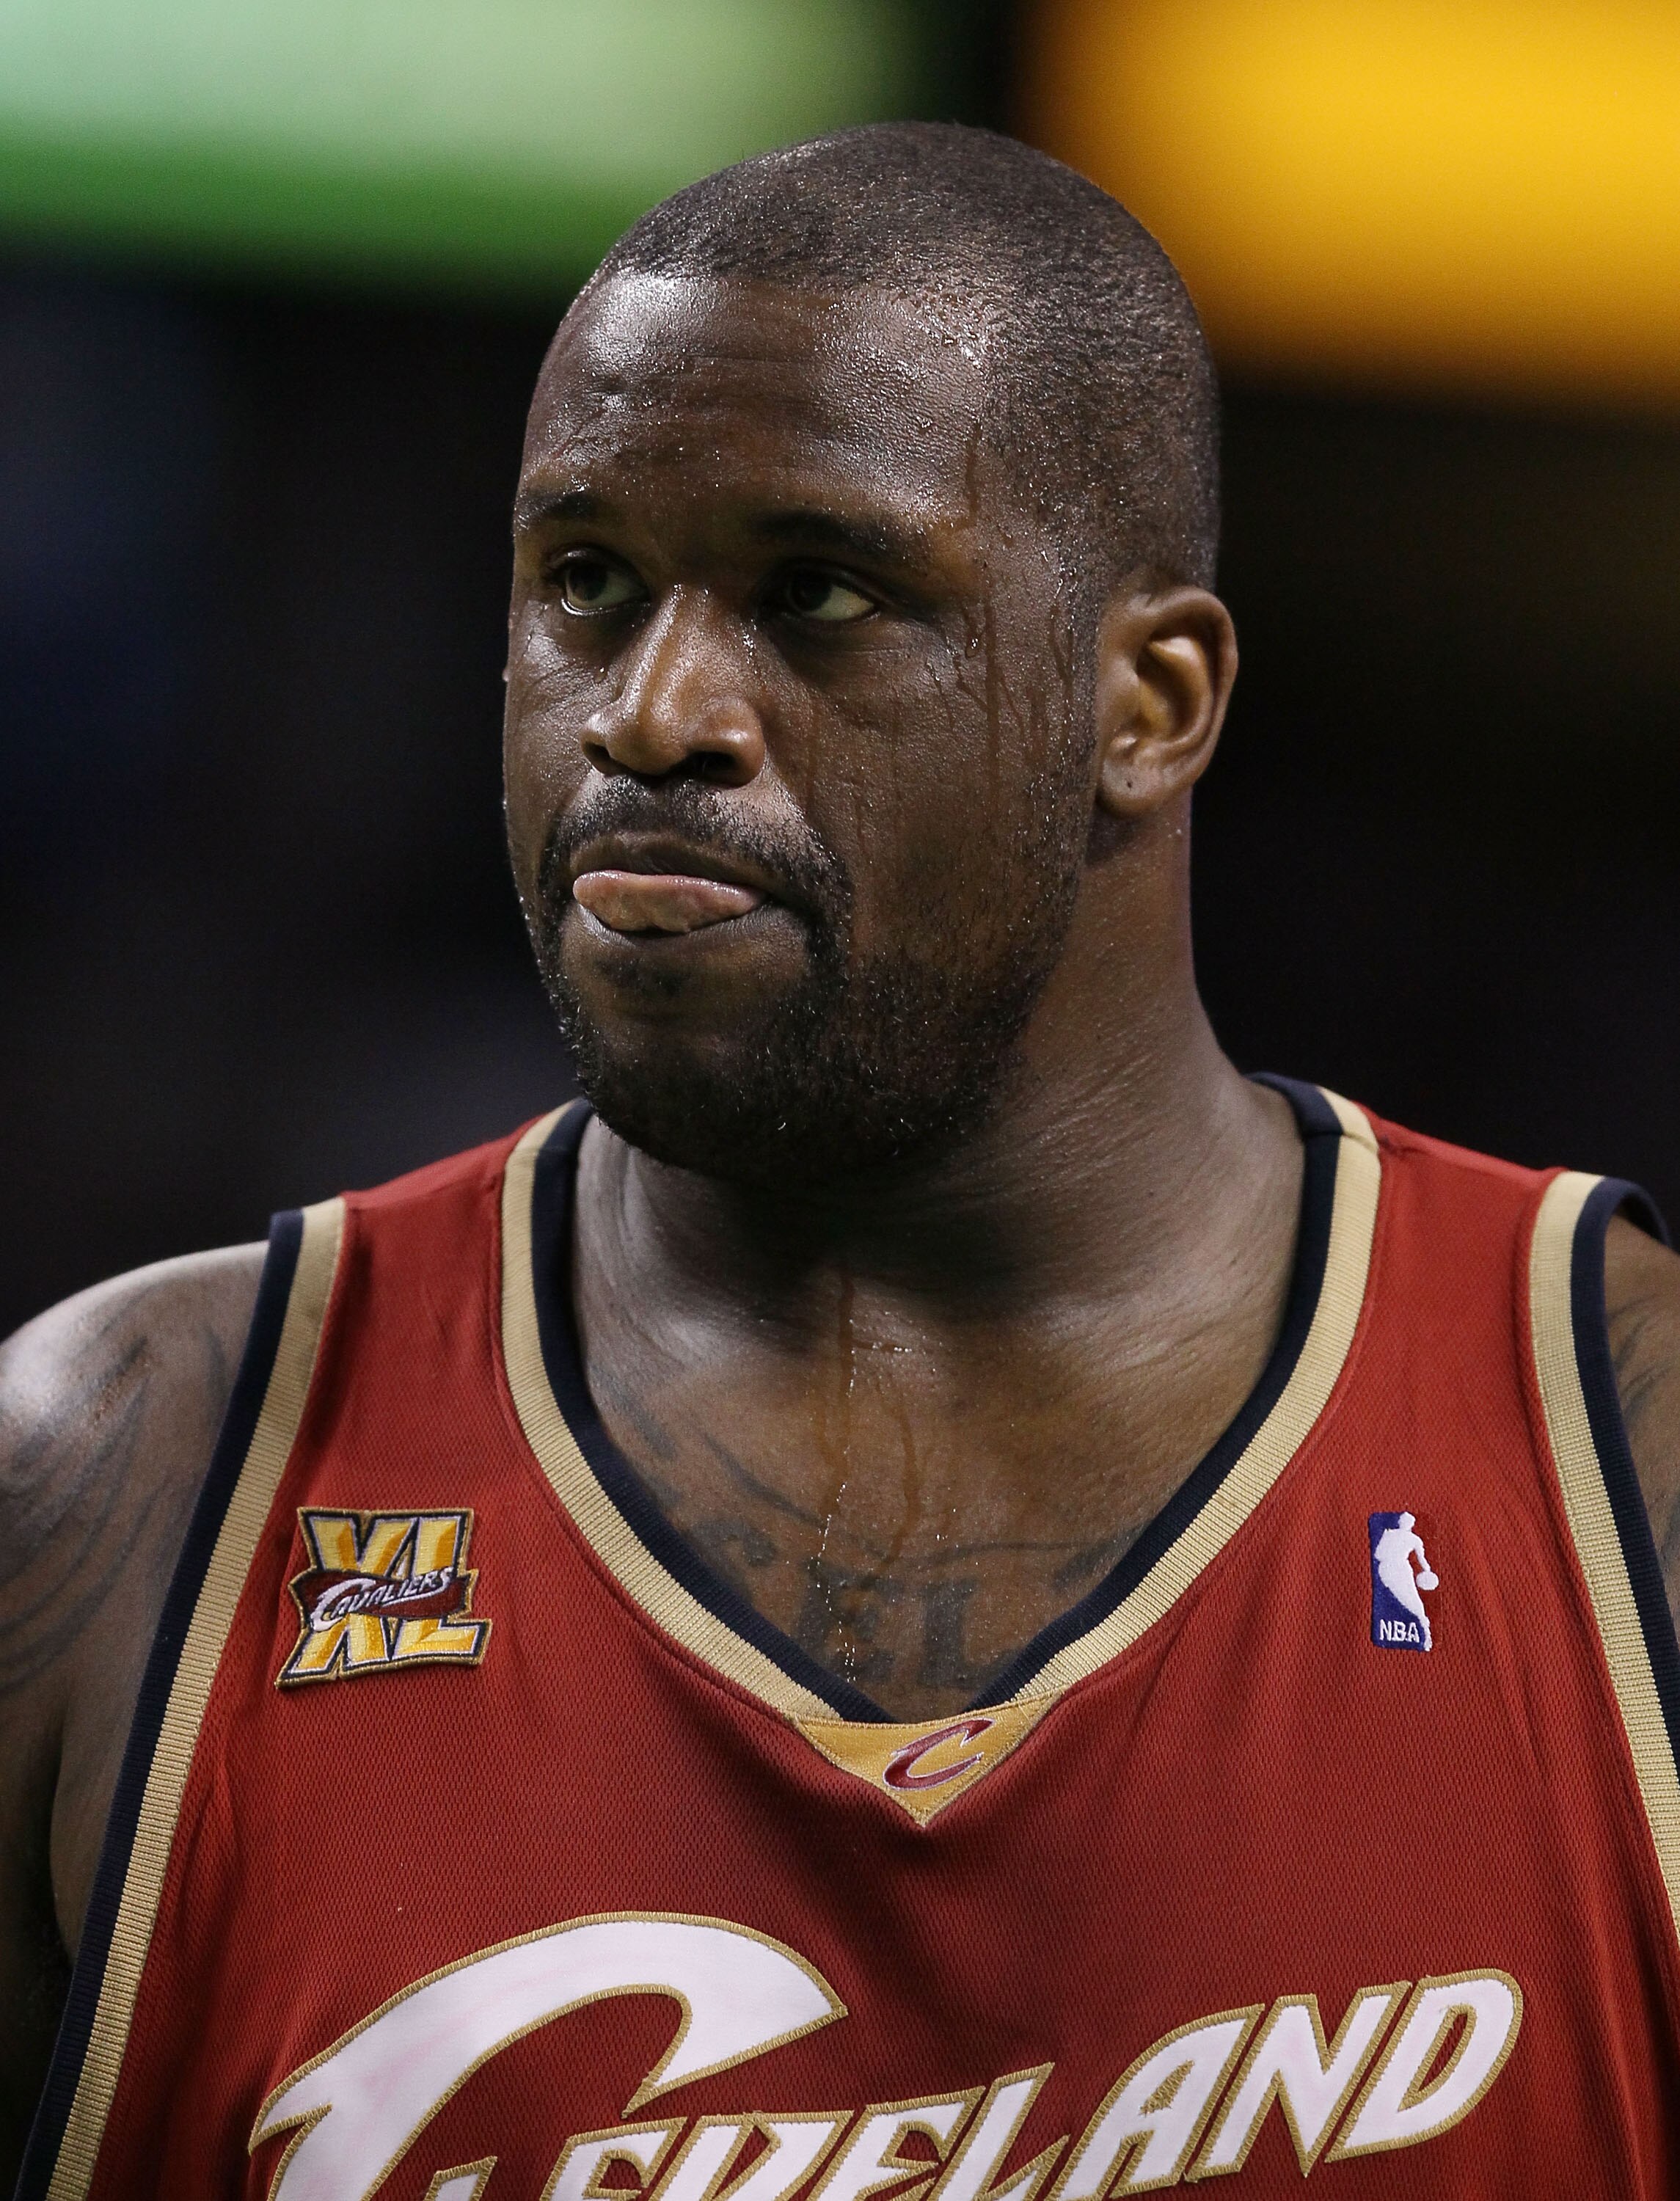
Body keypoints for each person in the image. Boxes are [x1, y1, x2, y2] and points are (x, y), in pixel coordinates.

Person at [4, 123, 1680, 2199]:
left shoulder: (1631, 1461)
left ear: (1146, 704)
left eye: (820, 595)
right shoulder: (118, 1484)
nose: (655, 713)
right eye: (584, 584)